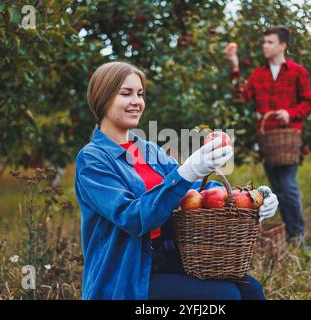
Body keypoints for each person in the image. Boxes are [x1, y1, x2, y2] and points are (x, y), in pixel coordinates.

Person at [74, 61, 279, 300]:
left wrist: (250, 199)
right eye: (125, 93)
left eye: (140, 94)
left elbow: (193, 190)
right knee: (224, 296)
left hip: (170, 258)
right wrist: (187, 171)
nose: (136, 101)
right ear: (103, 98)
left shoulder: (149, 150)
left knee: (250, 289)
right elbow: (132, 217)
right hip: (127, 275)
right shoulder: (93, 159)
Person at [224, 26, 311, 247]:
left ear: (282, 45)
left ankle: (298, 236)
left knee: (288, 186)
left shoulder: (297, 72)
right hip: (267, 141)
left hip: (288, 141)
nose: (265, 45)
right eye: (264, 42)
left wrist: (290, 113)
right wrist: (234, 64)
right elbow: (241, 97)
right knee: (278, 190)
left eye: (269, 42)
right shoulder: (259, 74)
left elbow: (309, 102)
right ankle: (290, 235)